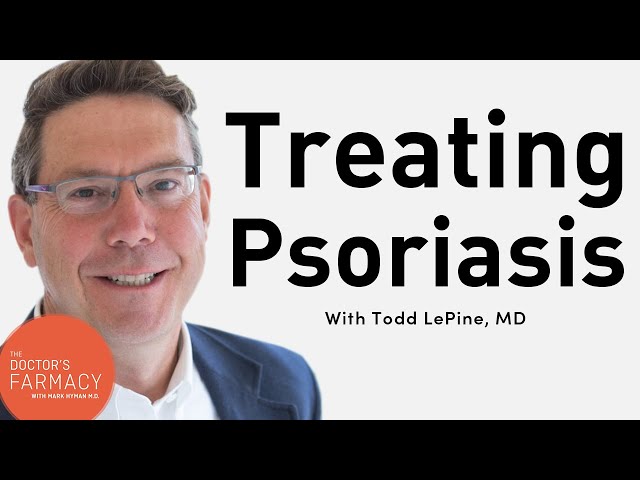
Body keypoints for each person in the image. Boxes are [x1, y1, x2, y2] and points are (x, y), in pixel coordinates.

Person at [0, 60, 321, 420]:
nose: (133, 229)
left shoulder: (289, 385)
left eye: (164, 184)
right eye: (86, 192)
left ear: (202, 208)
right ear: (26, 230)